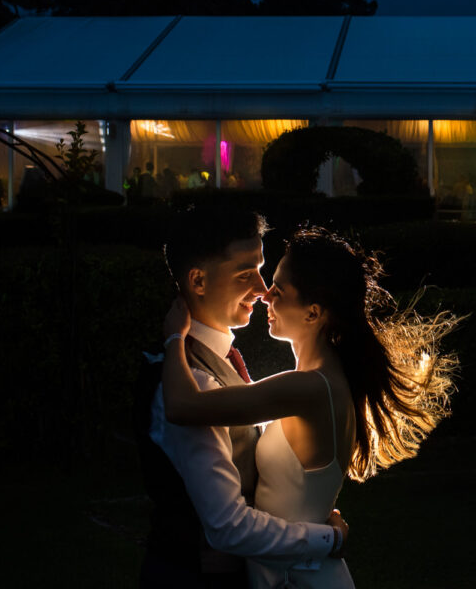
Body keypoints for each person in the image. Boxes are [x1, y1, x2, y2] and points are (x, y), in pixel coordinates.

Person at [161, 225, 458, 588]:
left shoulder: (308, 388)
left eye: (280, 290)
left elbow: (182, 406)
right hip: (302, 571)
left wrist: (175, 335)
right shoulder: (316, 383)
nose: (266, 295)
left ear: (313, 313)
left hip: (303, 577)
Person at [136, 207, 348, 587]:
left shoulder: (220, 361)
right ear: (198, 281)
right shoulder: (193, 377)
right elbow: (228, 526)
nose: (263, 289)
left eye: (261, 269)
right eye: (245, 273)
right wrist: (325, 537)